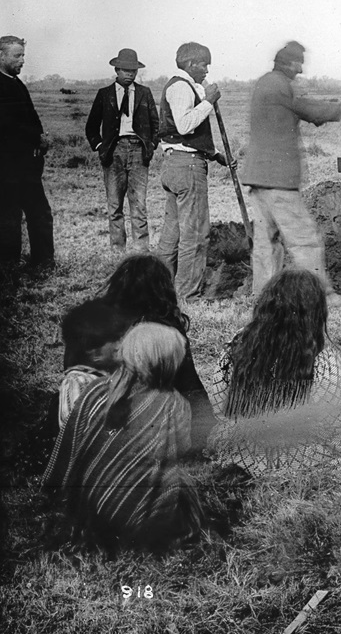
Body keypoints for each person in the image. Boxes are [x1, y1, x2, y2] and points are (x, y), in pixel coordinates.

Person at [211, 269, 341, 473]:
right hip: (298, 452)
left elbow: (220, 407)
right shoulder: (321, 358)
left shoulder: (237, 344)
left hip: (242, 449)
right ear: (315, 312)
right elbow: (337, 428)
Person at [43, 324, 208, 553]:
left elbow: (71, 442)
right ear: (169, 362)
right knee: (180, 480)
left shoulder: (95, 389)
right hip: (139, 521)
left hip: (86, 510)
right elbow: (182, 447)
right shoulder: (174, 403)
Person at [239, 41, 341, 299]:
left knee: (266, 243)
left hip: (259, 178)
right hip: (278, 180)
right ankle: (322, 295)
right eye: (298, 64)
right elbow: (311, 110)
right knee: (304, 239)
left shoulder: (265, 83)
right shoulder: (280, 85)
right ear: (287, 63)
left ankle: (262, 296)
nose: (301, 70)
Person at [56, 254, 217, 450]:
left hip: (79, 416)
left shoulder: (91, 322)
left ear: (117, 284)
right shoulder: (161, 325)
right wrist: (207, 433)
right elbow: (189, 385)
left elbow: (70, 370)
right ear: (163, 291)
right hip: (130, 422)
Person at [154, 41, 228, 302]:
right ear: (189, 64)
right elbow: (185, 126)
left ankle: (159, 291)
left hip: (176, 164)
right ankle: (188, 295)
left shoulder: (182, 86)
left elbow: (184, 135)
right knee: (194, 234)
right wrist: (208, 101)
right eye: (203, 64)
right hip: (187, 167)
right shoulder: (181, 87)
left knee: (171, 236)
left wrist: (215, 154)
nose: (206, 70)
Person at [85, 48, 159, 251]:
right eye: (125, 70)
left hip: (139, 152)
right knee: (114, 205)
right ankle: (117, 252)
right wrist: (101, 147)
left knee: (139, 205)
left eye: (133, 70)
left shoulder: (144, 93)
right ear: (116, 70)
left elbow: (156, 124)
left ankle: (141, 252)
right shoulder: (104, 94)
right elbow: (91, 126)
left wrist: (151, 145)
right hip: (113, 152)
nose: (130, 74)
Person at [0, 35, 55, 269]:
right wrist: (36, 137)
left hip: (26, 167)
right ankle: (9, 267)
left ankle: (43, 263)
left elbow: (30, 116)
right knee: (9, 217)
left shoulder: (17, 83)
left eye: (23, 55)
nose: (22, 60)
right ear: (1, 56)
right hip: (7, 167)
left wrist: (41, 138)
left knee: (40, 213)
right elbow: (8, 124)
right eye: (17, 56)